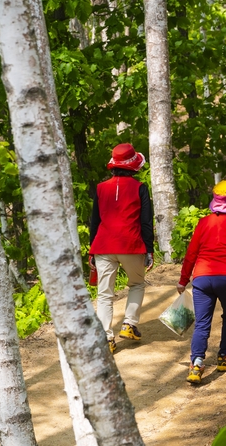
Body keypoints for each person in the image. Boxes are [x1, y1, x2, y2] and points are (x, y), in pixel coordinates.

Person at [177, 180, 226, 385]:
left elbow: (191, 253)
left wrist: (183, 280)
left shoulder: (204, 223)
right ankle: (225, 356)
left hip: (202, 278)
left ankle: (196, 363)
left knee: (202, 323)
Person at [89, 142, 155, 354]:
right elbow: (146, 222)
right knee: (136, 284)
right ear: (134, 165)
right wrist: (149, 249)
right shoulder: (140, 188)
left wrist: (92, 249)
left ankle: (107, 338)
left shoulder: (100, 188)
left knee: (105, 293)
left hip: (104, 245)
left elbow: (94, 222)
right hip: (131, 244)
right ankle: (129, 324)